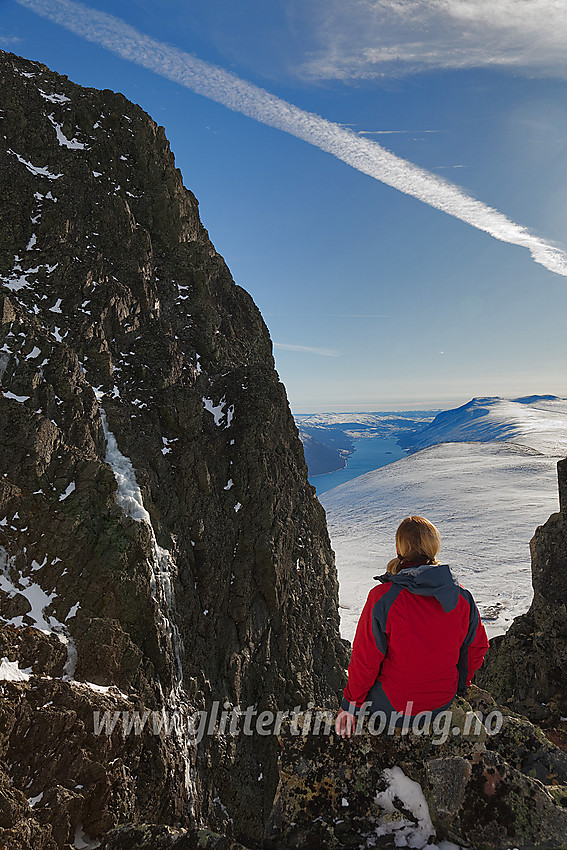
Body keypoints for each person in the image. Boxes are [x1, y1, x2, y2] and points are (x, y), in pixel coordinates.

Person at [335, 515, 489, 738]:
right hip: (441, 703)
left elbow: (365, 659)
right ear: (433, 547)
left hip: (393, 709)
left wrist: (350, 706)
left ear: (399, 548)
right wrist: (459, 686)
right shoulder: (461, 597)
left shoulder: (383, 597)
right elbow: (476, 648)